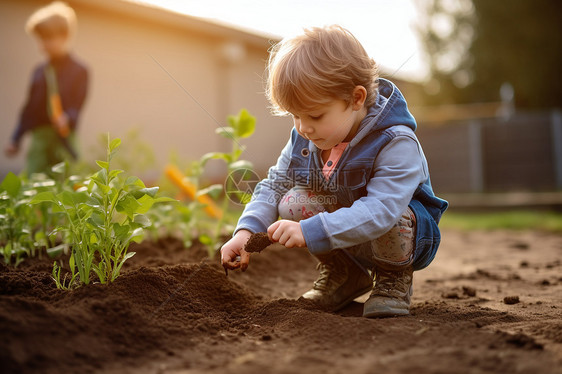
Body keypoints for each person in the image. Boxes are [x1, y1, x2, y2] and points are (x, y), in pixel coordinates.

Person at [221, 25, 448, 318]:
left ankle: (393, 281)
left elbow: (381, 210)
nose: (303, 127)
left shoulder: (395, 142)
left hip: (404, 238)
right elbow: (274, 184)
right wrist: (246, 231)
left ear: (355, 98)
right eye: (295, 116)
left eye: (314, 115)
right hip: (346, 234)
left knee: (394, 212)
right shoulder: (306, 139)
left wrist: (310, 231)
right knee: (292, 201)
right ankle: (344, 275)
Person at [4, 1, 88, 175]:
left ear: (64, 35)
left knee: (64, 188)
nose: (42, 45)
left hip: (64, 139)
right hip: (40, 139)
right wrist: (16, 139)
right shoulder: (39, 72)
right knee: (34, 185)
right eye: (40, 39)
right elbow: (29, 108)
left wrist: (67, 118)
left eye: (48, 38)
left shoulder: (80, 71)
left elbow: (77, 107)